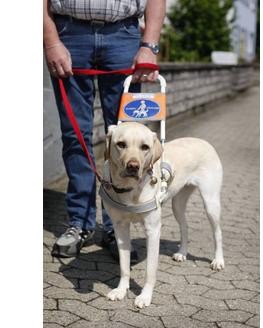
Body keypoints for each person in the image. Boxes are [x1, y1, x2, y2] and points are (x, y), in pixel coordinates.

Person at [43, 0, 166, 259]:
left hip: (123, 36)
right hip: (69, 33)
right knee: (75, 136)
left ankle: (116, 226)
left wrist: (149, 44)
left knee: (128, 138)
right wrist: (50, 40)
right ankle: (80, 222)